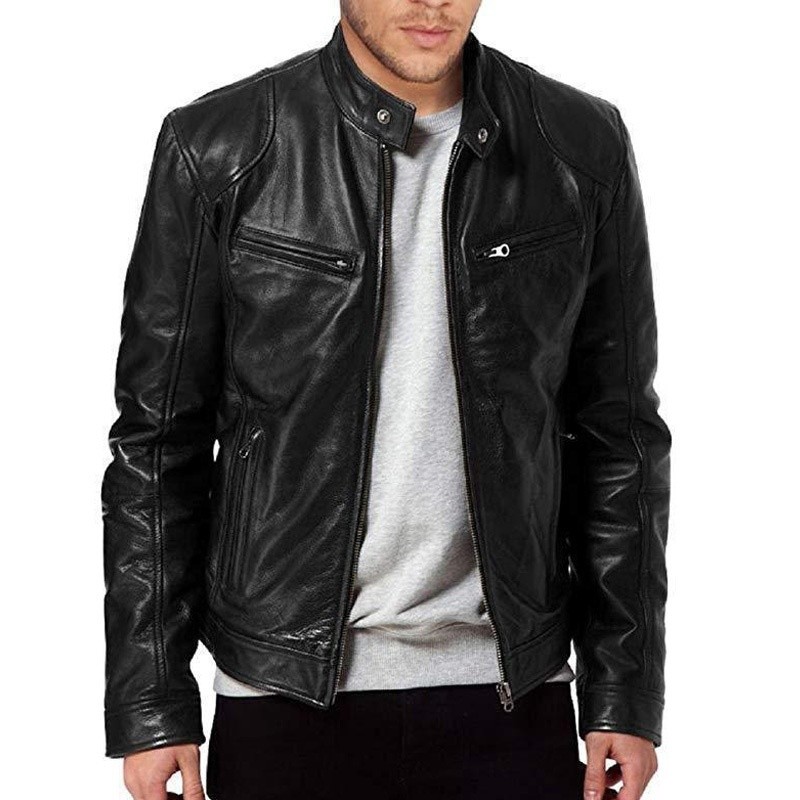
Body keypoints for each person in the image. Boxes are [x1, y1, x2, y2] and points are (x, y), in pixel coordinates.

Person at [101, 2, 671, 799]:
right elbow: (157, 444)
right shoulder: (221, 146)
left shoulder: (579, 146)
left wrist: (624, 690)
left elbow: (620, 438)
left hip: (513, 696)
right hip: (285, 695)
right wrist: (153, 702)